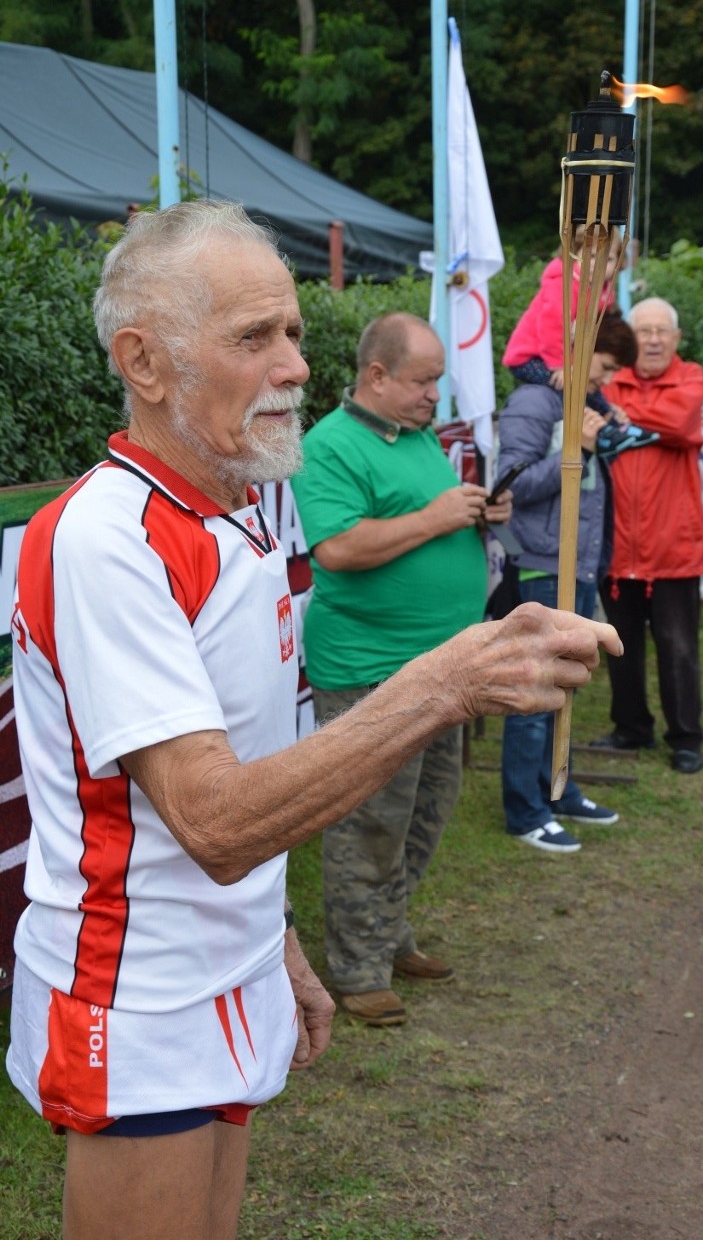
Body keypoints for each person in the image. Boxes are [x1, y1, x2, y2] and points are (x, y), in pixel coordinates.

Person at [5, 201, 622, 1240]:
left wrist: (274, 940)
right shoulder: (106, 539)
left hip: (226, 960)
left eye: (292, 331)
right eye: (255, 338)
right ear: (144, 363)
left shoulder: (234, 507)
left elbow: (243, 760)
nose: (295, 364)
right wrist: (446, 683)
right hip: (140, 996)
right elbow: (211, 818)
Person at [290, 312, 515, 1028]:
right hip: (369, 669)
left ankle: (388, 932)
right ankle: (358, 965)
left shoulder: (416, 438)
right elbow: (339, 549)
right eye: (422, 381)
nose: (433, 395)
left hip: (440, 666)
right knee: (370, 819)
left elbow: (429, 515)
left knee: (427, 809)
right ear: (377, 375)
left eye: (439, 380)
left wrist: (479, 512)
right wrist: (441, 517)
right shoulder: (330, 445)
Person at [496, 313, 639, 851]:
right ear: (576, 354)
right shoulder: (534, 403)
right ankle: (525, 809)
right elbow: (509, 485)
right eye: (602, 369)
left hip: (575, 563)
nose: (605, 383)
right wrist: (573, 448)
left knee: (565, 685)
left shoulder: (581, 402)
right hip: (541, 563)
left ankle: (559, 787)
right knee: (535, 688)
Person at [593, 297, 703, 773]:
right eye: (645, 331)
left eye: (664, 331)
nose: (655, 340)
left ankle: (686, 737)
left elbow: (682, 422)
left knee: (679, 646)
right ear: (630, 338)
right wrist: (639, 415)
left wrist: (621, 414)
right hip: (616, 544)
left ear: (677, 340)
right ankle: (630, 728)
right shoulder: (610, 378)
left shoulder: (692, 377)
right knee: (621, 644)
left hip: (673, 545)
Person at [501, 232, 658, 459]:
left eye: (608, 259)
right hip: (529, 357)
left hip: (556, 355)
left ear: (618, 264)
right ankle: (606, 430)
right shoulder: (563, 284)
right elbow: (551, 327)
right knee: (572, 388)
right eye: (590, 256)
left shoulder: (604, 292)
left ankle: (613, 423)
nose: (597, 264)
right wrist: (561, 366)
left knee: (585, 386)